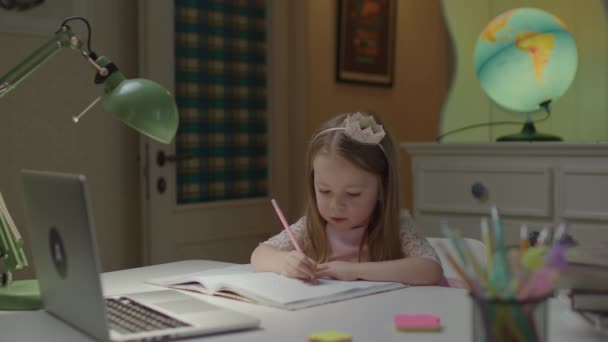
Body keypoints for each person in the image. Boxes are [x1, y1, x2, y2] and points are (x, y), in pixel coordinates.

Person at [251, 112, 444, 285]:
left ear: (382, 187)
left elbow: (430, 269)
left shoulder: (397, 226)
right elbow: (259, 255)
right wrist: (286, 263)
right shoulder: (311, 227)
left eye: (353, 194)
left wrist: (354, 271)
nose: (336, 206)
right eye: (325, 191)